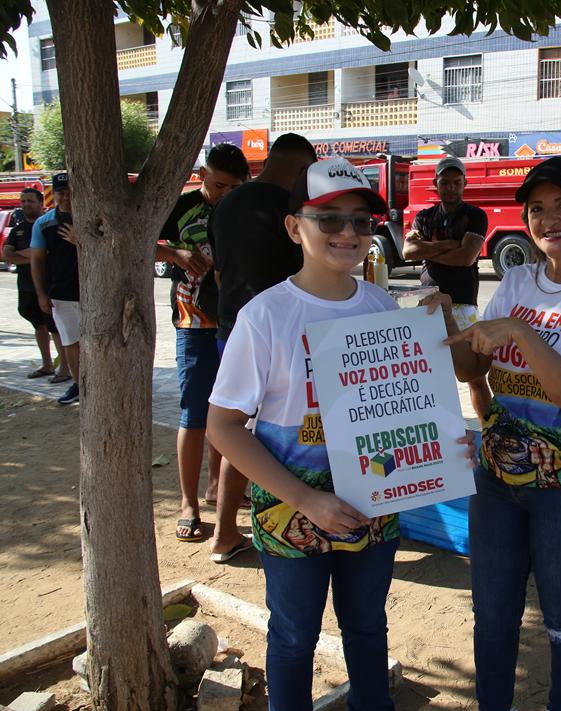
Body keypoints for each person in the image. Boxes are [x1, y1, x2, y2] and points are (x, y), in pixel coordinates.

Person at [431, 156, 561, 711]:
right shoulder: (518, 280)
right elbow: (472, 370)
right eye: (538, 208)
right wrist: (443, 322)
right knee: (492, 613)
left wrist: (521, 331)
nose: (549, 219)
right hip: (498, 480)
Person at [206, 158, 404, 710]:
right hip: (289, 510)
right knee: (294, 636)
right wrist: (306, 499)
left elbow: (397, 413)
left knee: (367, 626)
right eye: (329, 219)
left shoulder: (382, 305)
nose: (348, 232)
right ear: (295, 228)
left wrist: (435, 449)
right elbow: (223, 426)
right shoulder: (265, 316)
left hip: (373, 506)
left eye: (361, 221)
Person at [207, 132, 317, 563]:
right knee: (258, 431)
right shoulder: (291, 207)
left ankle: (224, 531)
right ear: (302, 168)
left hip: (231, 326)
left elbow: (218, 271)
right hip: (284, 336)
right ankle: (233, 532)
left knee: (237, 426)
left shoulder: (227, 203)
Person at [157, 143, 249, 543]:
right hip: (193, 321)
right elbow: (138, 241)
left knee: (226, 411)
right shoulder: (179, 207)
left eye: (233, 187)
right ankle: (188, 503)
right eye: (218, 185)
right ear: (202, 176)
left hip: (235, 322)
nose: (225, 193)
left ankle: (216, 487)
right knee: (194, 414)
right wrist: (175, 253)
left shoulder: (244, 208)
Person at [403, 156, 493, 420]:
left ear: (465, 183)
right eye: (445, 182)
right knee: (426, 375)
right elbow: (408, 252)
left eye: (456, 182)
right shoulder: (424, 216)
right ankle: (436, 431)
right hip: (427, 303)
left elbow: (466, 257)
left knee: (474, 377)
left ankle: (489, 431)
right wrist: (449, 245)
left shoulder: (475, 215)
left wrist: (428, 250)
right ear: (436, 184)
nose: (451, 188)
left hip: (462, 304)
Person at [3, 187, 70, 382]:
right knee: (38, 325)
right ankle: (47, 365)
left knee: (56, 328)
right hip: (27, 287)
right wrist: (34, 256)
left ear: (41, 203)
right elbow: (7, 255)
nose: (26, 204)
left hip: (50, 287)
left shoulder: (48, 225)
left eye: (30, 201)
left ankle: (65, 369)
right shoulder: (18, 229)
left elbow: (47, 252)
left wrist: (26, 254)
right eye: (23, 201)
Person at [29, 173, 81, 406]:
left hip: (92, 293)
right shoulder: (44, 223)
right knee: (70, 341)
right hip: (61, 293)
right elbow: (37, 260)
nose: (66, 196)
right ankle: (78, 385)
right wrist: (41, 294)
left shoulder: (91, 217)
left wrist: (82, 240)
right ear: (54, 194)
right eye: (61, 192)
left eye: (69, 191)